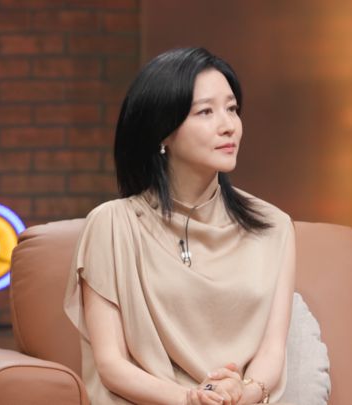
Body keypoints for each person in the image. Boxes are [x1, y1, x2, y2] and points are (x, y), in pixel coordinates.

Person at [64, 47, 296, 405]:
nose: (228, 125)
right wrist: (191, 399)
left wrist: (242, 394)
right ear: (163, 131)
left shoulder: (273, 227)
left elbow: (272, 352)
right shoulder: (112, 225)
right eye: (206, 111)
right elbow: (111, 364)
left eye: (232, 108)